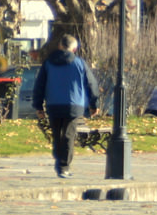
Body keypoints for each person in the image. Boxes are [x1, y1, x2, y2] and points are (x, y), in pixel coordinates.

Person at [30, 34, 103, 180]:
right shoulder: (79, 63)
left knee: (57, 135)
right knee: (69, 135)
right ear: (74, 49)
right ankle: (64, 166)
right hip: (74, 105)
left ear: (59, 46)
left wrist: (38, 107)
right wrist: (94, 104)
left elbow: (40, 85)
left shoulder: (48, 63)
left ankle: (59, 161)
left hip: (53, 104)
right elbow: (92, 84)